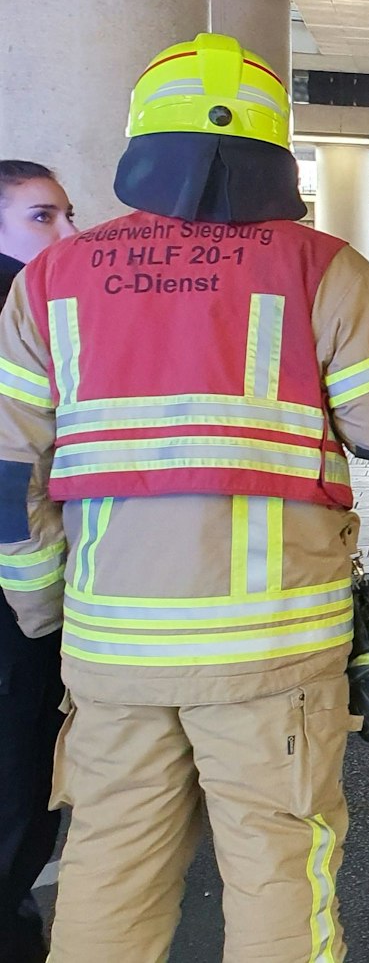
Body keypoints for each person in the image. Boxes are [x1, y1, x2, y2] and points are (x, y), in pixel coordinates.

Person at [0, 33, 369, 961]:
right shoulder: (323, 268)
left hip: (112, 645)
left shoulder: (50, 281)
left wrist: (44, 608)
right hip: (273, 650)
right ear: (274, 150)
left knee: (109, 870)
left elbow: (8, 474)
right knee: (279, 870)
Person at [0, 161, 76, 961]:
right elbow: (13, 477)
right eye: (41, 218)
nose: (67, 236)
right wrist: (43, 610)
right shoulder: (14, 317)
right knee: (18, 799)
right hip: (16, 606)